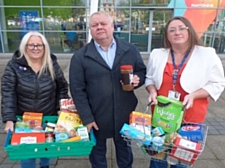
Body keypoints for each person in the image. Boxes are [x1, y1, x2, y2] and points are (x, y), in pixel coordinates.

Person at [69, 11, 146, 168]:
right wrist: (87, 118)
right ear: (90, 30)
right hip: (96, 114)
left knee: (125, 151)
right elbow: (77, 90)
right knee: (97, 153)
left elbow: (141, 71)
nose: (99, 27)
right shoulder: (80, 56)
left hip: (124, 111)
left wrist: (138, 79)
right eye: (94, 25)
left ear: (112, 26)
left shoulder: (129, 49)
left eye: (103, 24)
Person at [145, 16, 225, 168]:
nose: (177, 32)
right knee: (157, 160)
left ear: (190, 31)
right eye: (172, 30)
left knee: (181, 162)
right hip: (162, 118)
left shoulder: (207, 55)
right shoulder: (157, 54)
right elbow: (149, 79)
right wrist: (152, 91)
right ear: (167, 36)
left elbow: (218, 83)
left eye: (182, 28)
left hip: (190, 119)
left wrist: (195, 95)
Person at [1, 31, 69, 168]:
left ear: (44, 47)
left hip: (47, 117)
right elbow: (8, 92)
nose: (35, 48)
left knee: (47, 149)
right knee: (27, 154)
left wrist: (60, 108)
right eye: (31, 45)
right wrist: (9, 119)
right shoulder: (14, 66)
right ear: (24, 47)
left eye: (39, 45)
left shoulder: (51, 64)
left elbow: (61, 87)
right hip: (24, 121)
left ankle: (45, 165)